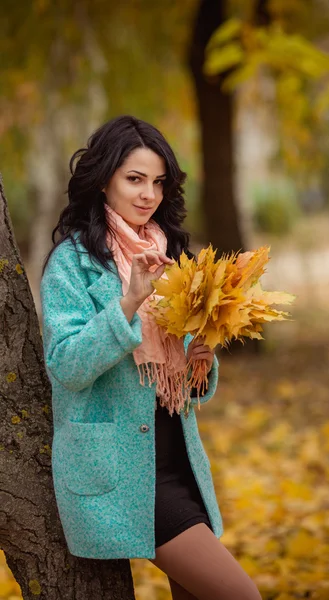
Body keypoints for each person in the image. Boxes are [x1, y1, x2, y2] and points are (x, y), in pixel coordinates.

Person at [40, 115, 261, 600]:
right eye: (134, 179)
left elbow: (176, 373)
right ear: (103, 180)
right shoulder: (71, 263)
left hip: (177, 458)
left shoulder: (168, 252)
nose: (149, 195)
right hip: (122, 468)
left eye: (158, 182)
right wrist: (127, 305)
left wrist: (201, 360)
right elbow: (65, 365)